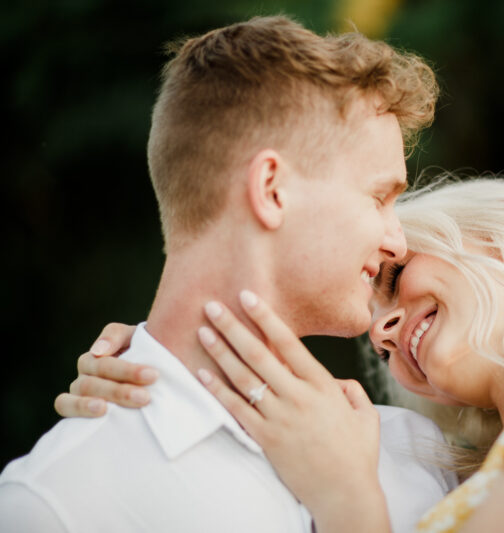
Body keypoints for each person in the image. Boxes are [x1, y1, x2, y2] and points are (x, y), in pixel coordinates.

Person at [58, 178, 504, 532]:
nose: (381, 332)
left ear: (491, 232)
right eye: (376, 333)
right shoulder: (474, 472)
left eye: (391, 276)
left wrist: (346, 496)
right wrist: (163, 366)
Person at [0, 15, 458, 533]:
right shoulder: (59, 502)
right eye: (379, 197)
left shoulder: (420, 456)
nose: (397, 242)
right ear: (271, 190)